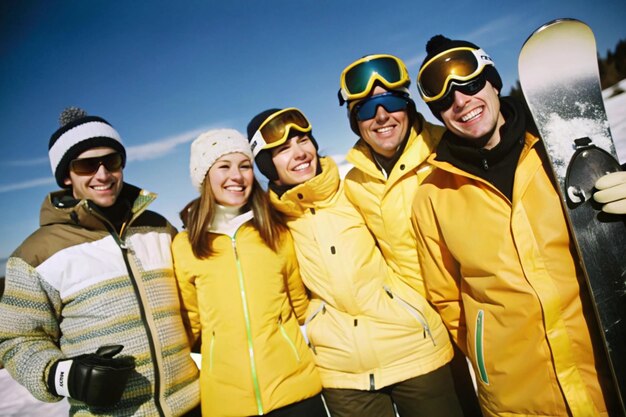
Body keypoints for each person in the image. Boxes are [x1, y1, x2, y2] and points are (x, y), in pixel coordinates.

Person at [411, 35, 626, 416]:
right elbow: (447, 298)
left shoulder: (557, 155)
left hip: (604, 369)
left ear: (493, 81)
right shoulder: (432, 195)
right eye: (444, 100)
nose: (460, 101)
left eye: (471, 83)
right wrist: (489, 354)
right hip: (519, 396)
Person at [246, 108, 462, 417]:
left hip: (411, 348)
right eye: (282, 150)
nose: (300, 153)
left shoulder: (354, 190)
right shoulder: (273, 224)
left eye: (303, 140)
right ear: (268, 166)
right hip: (342, 373)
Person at [0, 107, 200, 416]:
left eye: (112, 161)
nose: (103, 174)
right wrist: (63, 376)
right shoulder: (36, 254)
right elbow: (16, 339)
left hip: (193, 404)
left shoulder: (159, 228)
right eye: (86, 166)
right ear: (67, 175)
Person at [338, 53, 482, 415]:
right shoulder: (354, 184)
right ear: (355, 122)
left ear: (409, 106)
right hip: (423, 333)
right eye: (367, 110)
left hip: (483, 312)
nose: (381, 116)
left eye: (390, 102)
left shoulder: (449, 148)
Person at [171, 129, 325, 417]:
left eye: (244, 166)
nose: (237, 176)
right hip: (227, 402)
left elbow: (299, 308)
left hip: (296, 391)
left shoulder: (275, 232)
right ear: (204, 177)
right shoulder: (186, 245)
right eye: (224, 166)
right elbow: (190, 322)